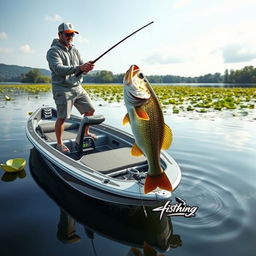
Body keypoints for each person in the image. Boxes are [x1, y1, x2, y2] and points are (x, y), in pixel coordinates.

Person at [47, 22, 95, 153]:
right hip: (62, 88)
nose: (70, 37)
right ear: (60, 34)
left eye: (72, 34)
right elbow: (58, 69)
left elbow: (81, 67)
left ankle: (86, 133)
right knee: (62, 117)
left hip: (77, 87)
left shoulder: (75, 50)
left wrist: (86, 68)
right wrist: (79, 68)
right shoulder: (53, 51)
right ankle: (59, 143)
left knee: (90, 110)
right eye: (67, 34)